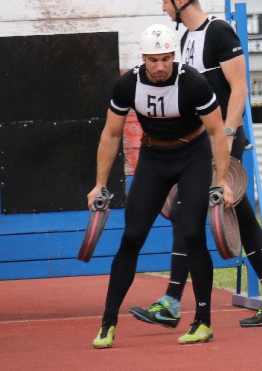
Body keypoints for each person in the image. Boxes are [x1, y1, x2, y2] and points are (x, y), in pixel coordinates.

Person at [130, 0, 262, 332]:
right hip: (199, 144)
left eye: (164, 0)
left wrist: (230, 136)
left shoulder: (219, 32)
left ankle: (172, 302)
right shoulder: (185, 37)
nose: (163, 7)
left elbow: (240, 88)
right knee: (241, 217)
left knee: (190, 214)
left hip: (222, 143)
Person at [90, 24, 232, 348]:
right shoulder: (128, 84)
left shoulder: (193, 81)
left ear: (173, 57)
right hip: (153, 157)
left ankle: (203, 322)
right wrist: (99, 184)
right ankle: (107, 324)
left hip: (193, 156)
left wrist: (222, 180)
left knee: (193, 233)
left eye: (166, 59)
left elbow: (217, 133)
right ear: (143, 59)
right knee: (132, 236)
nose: (160, 66)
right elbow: (111, 135)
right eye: (153, 60)